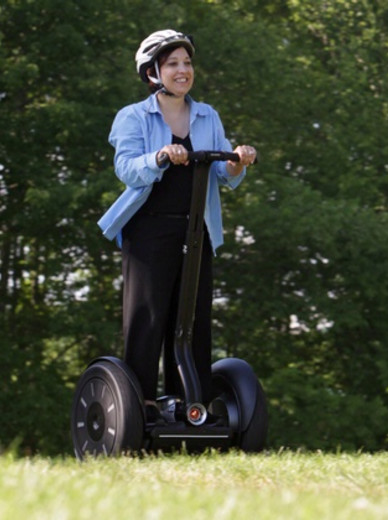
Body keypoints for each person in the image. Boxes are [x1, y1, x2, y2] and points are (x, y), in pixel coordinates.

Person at [98, 30, 256, 417]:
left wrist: (238, 161)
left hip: (196, 230)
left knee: (194, 319)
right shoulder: (133, 116)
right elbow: (127, 169)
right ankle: (141, 408)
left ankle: (191, 405)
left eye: (187, 63)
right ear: (153, 71)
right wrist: (160, 156)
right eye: (172, 63)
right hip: (148, 229)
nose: (182, 70)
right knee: (148, 317)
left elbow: (222, 174)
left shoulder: (207, 115)